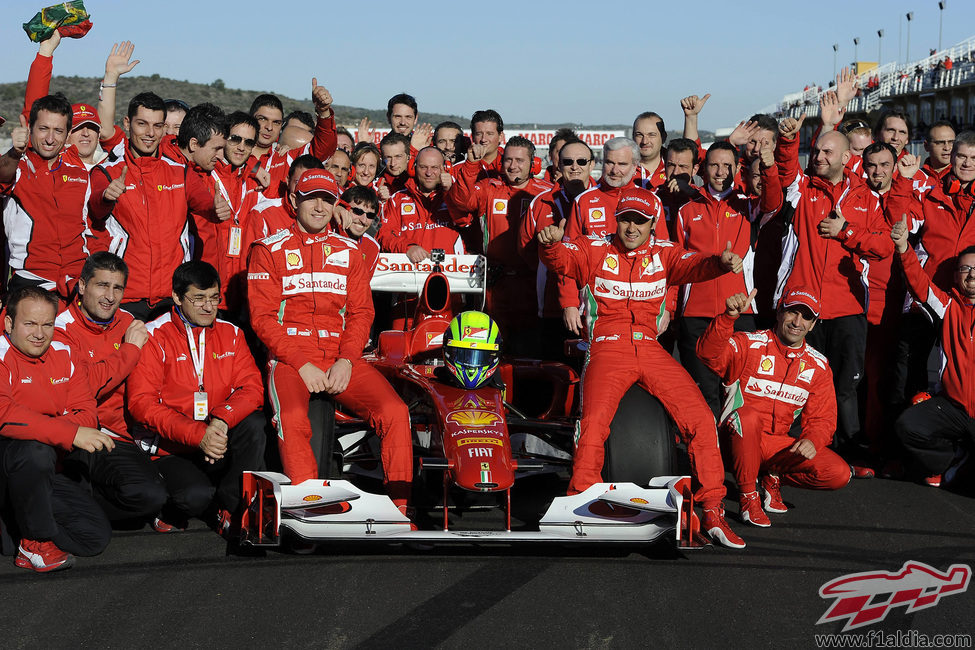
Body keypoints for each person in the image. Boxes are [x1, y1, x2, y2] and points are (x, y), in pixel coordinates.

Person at [537, 194, 747, 548]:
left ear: (652, 223)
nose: (631, 227)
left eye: (640, 220)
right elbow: (564, 262)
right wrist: (551, 246)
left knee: (700, 418)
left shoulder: (665, 252)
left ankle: (712, 510)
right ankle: (581, 500)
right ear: (615, 220)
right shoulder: (595, 247)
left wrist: (722, 263)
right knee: (595, 421)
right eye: (625, 220)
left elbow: (696, 265)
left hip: (650, 347)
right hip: (607, 343)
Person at [247, 170, 413, 513]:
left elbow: (361, 314)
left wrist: (347, 359)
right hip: (291, 359)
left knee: (395, 411)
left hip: (340, 356)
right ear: (295, 201)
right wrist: (301, 362)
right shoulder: (268, 249)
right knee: (292, 417)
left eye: (327, 199)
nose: (319, 206)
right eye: (311, 198)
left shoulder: (350, 251)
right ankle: (311, 507)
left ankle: (399, 507)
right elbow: (262, 319)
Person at [774, 115, 893, 455]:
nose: (819, 157)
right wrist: (788, 140)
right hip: (803, 305)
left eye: (828, 152)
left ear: (846, 158)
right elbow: (784, 168)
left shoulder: (866, 197)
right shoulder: (803, 188)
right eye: (816, 152)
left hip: (848, 308)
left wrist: (846, 232)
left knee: (846, 385)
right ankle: (790, 450)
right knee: (797, 382)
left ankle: (848, 451)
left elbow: (884, 247)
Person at [127, 262, 266, 535]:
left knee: (254, 424)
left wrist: (222, 420)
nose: (208, 307)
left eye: (214, 298)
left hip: (215, 439)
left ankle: (230, 505)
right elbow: (141, 405)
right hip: (171, 448)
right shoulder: (154, 335)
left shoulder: (232, 333)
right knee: (193, 498)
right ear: (177, 298)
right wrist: (197, 435)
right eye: (198, 298)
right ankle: (179, 504)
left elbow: (252, 388)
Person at [696, 289, 851, 527]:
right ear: (779, 313)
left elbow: (823, 419)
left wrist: (812, 440)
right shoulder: (748, 343)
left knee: (839, 473)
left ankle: (772, 475)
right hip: (731, 442)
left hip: (774, 447)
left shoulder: (819, 365)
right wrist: (727, 318)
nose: (797, 322)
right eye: (792, 312)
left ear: (813, 325)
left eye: (806, 317)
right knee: (748, 416)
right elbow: (708, 354)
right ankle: (748, 497)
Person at [88, 91, 228, 322]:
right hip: (125, 295)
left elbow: (203, 202)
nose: (150, 133)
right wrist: (106, 197)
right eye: (142, 124)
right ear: (127, 123)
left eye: (157, 125)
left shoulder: (179, 171)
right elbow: (96, 211)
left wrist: (214, 209)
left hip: (169, 296)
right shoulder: (108, 170)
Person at [0, 286, 113, 572]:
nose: (40, 333)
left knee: (93, 538)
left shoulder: (64, 353)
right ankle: (33, 542)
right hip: (11, 466)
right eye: (30, 324)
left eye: (47, 324)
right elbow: (3, 414)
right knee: (33, 449)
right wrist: (68, 430)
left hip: (44, 471)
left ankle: (21, 520)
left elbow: (88, 414)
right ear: (9, 323)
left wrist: (50, 427)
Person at [55, 252, 167, 525]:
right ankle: (74, 508)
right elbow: (84, 386)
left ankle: (87, 508)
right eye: (101, 285)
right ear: (82, 286)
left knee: (153, 497)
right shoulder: (60, 328)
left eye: (117, 288)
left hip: (118, 437)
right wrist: (129, 351)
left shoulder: (129, 322)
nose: (110, 296)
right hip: (75, 434)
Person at [674, 141, 761, 417]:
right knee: (703, 396)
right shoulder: (686, 210)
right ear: (702, 169)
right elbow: (675, 266)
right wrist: (670, 310)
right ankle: (705, 458)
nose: (720, 172)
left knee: (740, 397)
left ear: (737, 169)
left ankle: (737, 457)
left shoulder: (750, 207)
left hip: (740, 313)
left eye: (727, 166)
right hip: (695, 317)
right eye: (714, 165)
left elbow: (775, 196)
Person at [447, 136, 553, 352]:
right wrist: (471, 165)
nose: (513, 166)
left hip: (532, 284)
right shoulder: (489, 187)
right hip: (495, 284)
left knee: (530, 348)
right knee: (491, 347)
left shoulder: (546, 192)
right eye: (508, 160)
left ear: (534, 164)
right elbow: (461, 202)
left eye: (520, 160)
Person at [892, 222, 975, 487]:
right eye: (965, 269)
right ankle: (951, 460)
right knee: (908, 425)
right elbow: (918, 283)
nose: (971, 275)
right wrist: (904, 248)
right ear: (955, 276)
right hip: (953, 407)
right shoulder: (948, 307)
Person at [0, 93, 92, 299]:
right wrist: (15, 152)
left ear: (68, 135)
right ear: (30, 128)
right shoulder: (17, 166)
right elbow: (1, 174)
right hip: (31, 279)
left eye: (58, 131)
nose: (50, 139)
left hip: (76, 281)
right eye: (43, 129)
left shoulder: (80, 173)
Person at [519, 139, 594, 353]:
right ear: (558, 166)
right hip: (552, 307)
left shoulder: (603, 201)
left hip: (597, 307)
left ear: (591, 164)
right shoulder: (540, 202)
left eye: (581, 161)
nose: (575, 166)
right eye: (568, 161)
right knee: (555, 371)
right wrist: (551, 261)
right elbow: (526, 250)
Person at [379, 146, 464, 260]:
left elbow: (465, 220)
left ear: (446, 168)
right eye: (423, 167)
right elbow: (385, 235)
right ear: (413, 168)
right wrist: (407, 248)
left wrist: (449, 192)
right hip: (409, 271)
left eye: (435, 167)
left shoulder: (456, 195)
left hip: (451, 271)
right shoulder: (397, 199)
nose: (429, 173)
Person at [631, 111, 668, 188]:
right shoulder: (621, 169)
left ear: (663, 138)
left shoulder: (675, 169)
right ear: (633, 137)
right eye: (639, 135)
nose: (645, 141)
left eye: (651, 135)